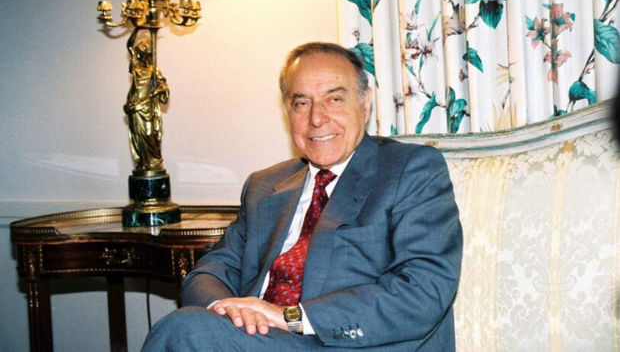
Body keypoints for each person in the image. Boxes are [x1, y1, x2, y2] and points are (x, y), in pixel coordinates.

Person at [142, 42, 463, 351]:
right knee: (190, 328)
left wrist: (290, 317)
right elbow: (212, 269)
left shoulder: (409, 169)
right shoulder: (264, 186)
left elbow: (424, 291)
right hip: (255, 338)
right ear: (287, 111)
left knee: (184, 330)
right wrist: (227, 310)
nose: (316, 118)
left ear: (364, 104)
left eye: (334, 99)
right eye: (302, 103)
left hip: (350, 342)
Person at [124, 31, 170, 172]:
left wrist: (156, 92)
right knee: (139, 139)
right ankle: (143, 164)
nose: (140, 54)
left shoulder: (154, 70)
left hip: (148, 108)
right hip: (136, 107)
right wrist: (137, 29)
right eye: (140, 51)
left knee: (150, 136)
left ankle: (154, 163)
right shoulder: (136, 67)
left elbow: (164, 87)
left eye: (144, 50)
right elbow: (129, 45)